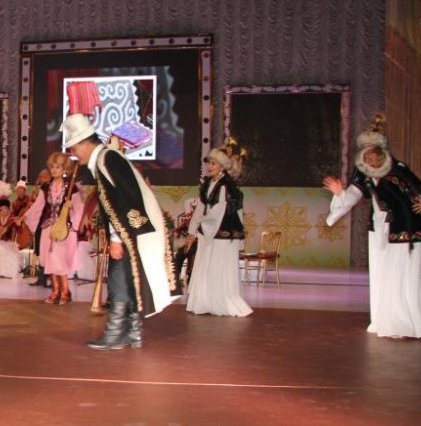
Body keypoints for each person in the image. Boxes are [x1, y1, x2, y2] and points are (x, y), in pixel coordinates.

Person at [63, 114, 176, 350]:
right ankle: (132, 333)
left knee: (119, 279)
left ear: (85, 143)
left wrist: (116, 238)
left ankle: (115, 333)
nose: (74, 153)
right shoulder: (108, 159)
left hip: (128, 233)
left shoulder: (107, 159)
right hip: (132, 232)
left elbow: (122, 200)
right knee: (130, 279)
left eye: (74, 147)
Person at [323, 113, 421, 339]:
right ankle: (387, 319)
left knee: (402, 274)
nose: (372, 158)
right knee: (384, 274)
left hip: (405, 229)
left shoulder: (397, 169)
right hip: (380, 229)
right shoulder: (363, 173)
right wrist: (340, 193)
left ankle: (404, 322)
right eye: (367, 154)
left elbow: (417, 191)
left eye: (375, 153)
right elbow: (353, 196)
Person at [184, 139, 252, 317]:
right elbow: (200, 207)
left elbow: (217, 213)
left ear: (222, 167)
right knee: (206, 266)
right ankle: (205, 302)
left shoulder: (226, 186)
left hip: (222, 234)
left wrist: (201, 225)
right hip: (209, 231)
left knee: (218, 268)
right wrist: (192, 232)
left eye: (213, 164)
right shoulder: (208, 184)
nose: (210, 167)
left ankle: (220, 302)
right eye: (209, 163)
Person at [24, 152, 84, 304]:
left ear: (65, 169)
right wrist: (26, 217)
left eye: (58, 167)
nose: (54, 170)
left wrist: (72, 210)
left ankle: (65, 292)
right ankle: (55, 291)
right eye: (52, 167)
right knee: (50, 260)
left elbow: (79, 208)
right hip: (48, 229)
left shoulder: (71, 188)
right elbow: (38, 206)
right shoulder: (46, 187)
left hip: (63, 229)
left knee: (58, 260)